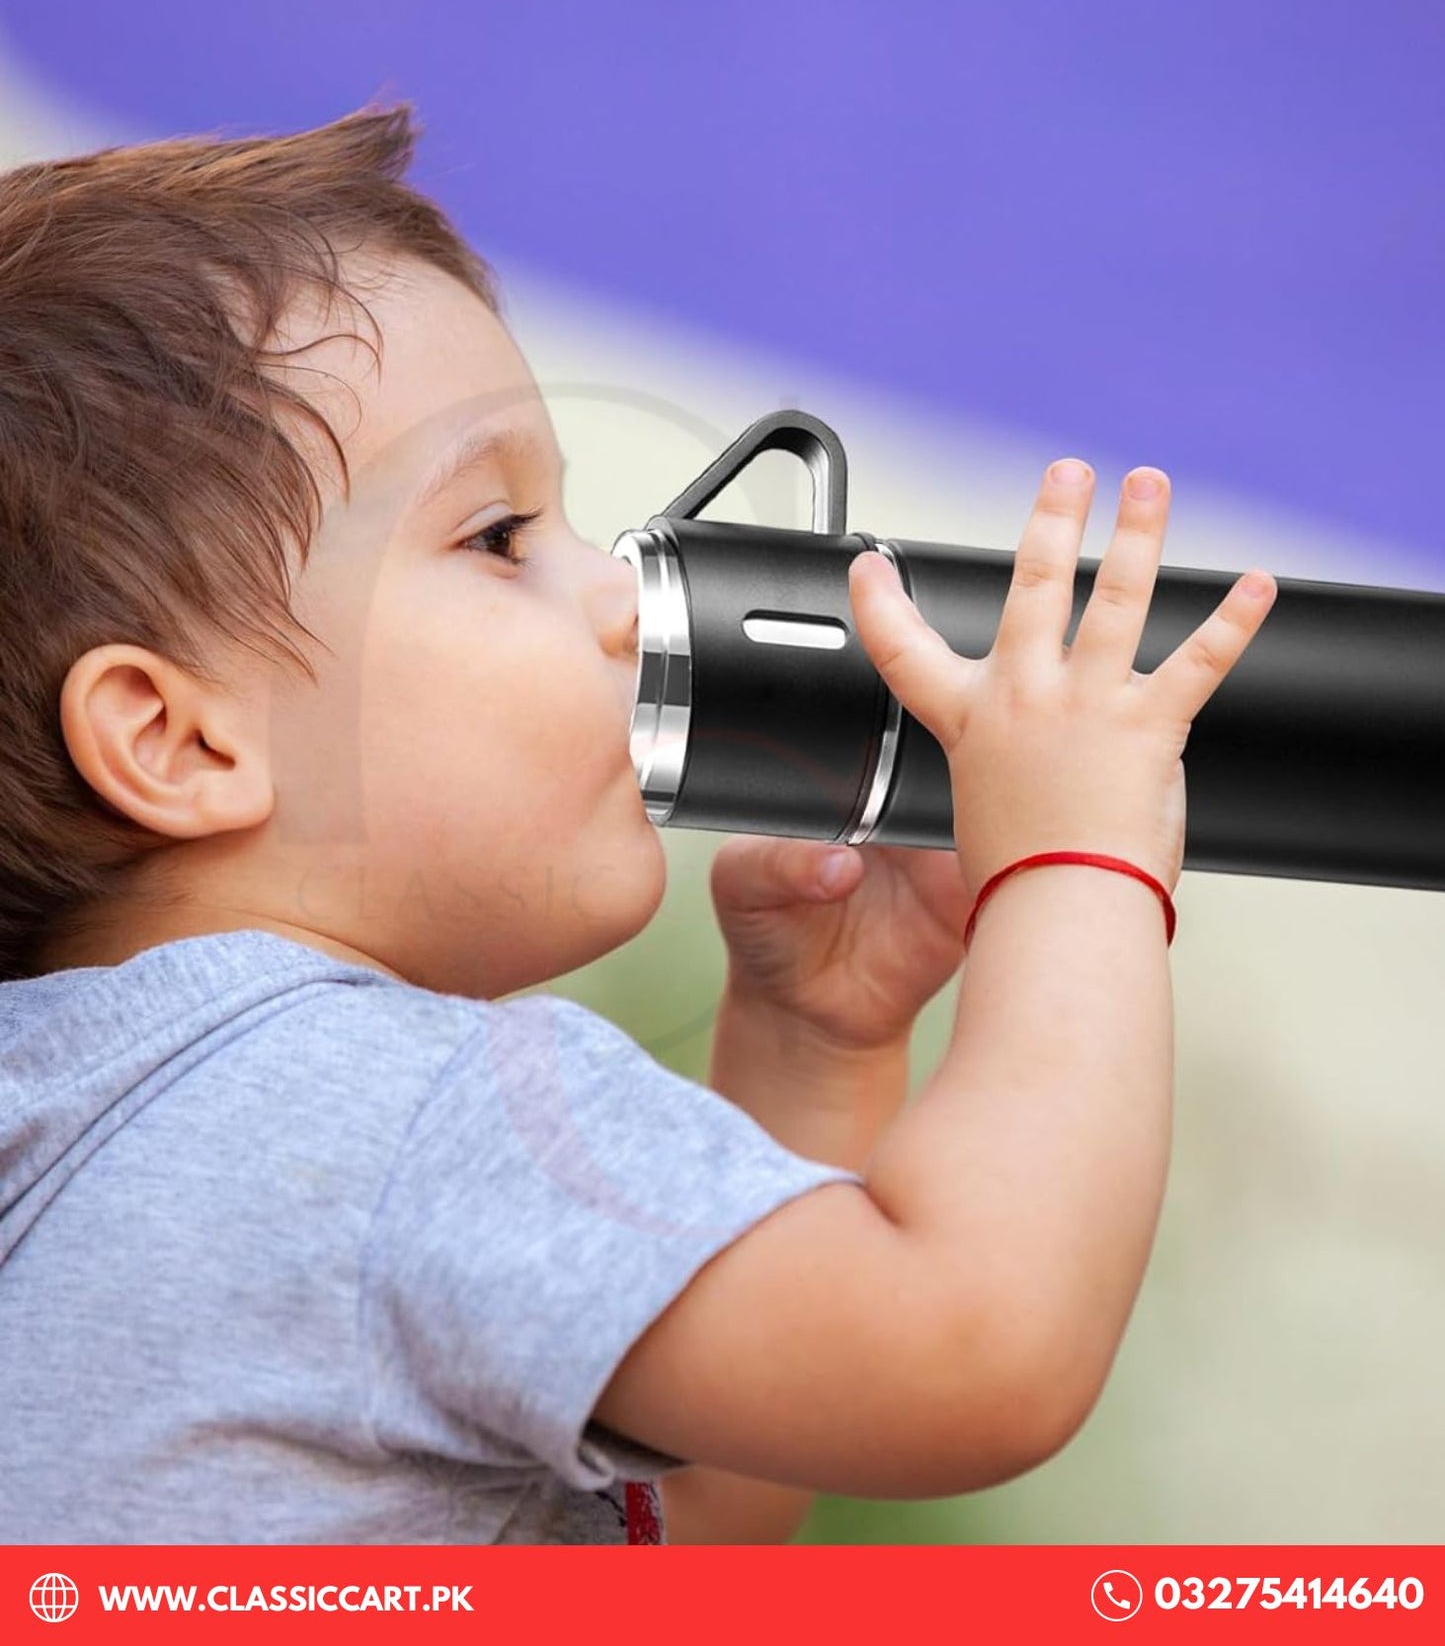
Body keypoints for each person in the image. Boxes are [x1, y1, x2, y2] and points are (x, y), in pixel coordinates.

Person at [0, 102, 1276, 1546]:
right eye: (498, 538)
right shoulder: (402, 1103)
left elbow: (693, 1527)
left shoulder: (90, 1143)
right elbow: (971, 1351)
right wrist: (1077, 855)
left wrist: (813, 1040)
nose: (619, 595)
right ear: (177, 739)